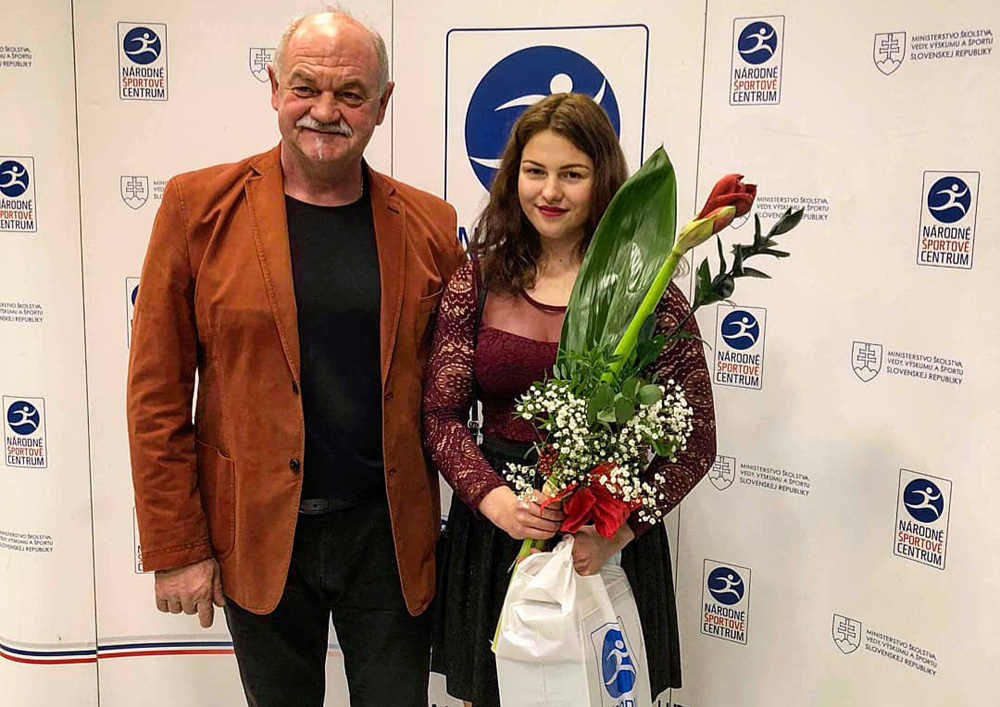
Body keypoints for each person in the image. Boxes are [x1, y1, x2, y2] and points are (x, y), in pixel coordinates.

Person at [126, 10, 465, 707]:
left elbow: (456, 385)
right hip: (257, 530)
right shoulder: (197, 208)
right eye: (306, 87)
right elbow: (156, 392)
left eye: (350, 94)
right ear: (275, 88)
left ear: (383, 104)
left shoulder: (431, 224)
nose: (325, 111)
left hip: (388, 536)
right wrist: (177, 546)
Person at [422, 93, 717, 706]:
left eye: (572, 174)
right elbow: (442, 416)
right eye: (535, 171)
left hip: (606, 542)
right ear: (514, 177)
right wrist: (496, 502)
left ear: (602, 180)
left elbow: (697, 442)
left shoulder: (648, 293)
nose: (550, 192)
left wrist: (620, 531)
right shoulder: (477, 280)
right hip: (499, 538)